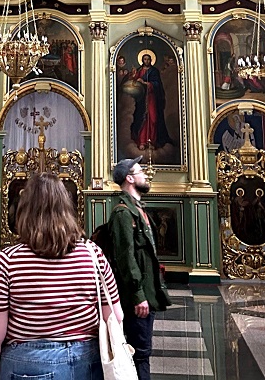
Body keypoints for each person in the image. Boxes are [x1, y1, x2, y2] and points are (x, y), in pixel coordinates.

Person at [0, 172, 123, 380]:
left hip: (28, 365)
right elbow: (116, 316)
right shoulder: (93, 254)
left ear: (24, 211)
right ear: (67, 209)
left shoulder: (7, 261)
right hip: (88, 362)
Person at [108, 156, 171, 380]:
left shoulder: (138, 210)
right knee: (140, 354)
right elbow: (125, 258)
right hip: (137, 298)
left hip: (146, 293)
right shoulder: (123, 213)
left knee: (142, 352)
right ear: (130, 178)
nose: (145, 174)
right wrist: (138, 295)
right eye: (140, 171)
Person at [129, 53, 174, 150]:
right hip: (141, 99)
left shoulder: (154, 71)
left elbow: (157, 84)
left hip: (151, 98)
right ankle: (142, 141)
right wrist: (134, 76)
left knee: (153, 118)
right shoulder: (139, 70)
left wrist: (146, 83)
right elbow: (133, 83)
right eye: (145, 59)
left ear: (151, 60)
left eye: (148, 59)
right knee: (141, 118)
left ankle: (152, 141)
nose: (146, 61)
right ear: (142, 60)